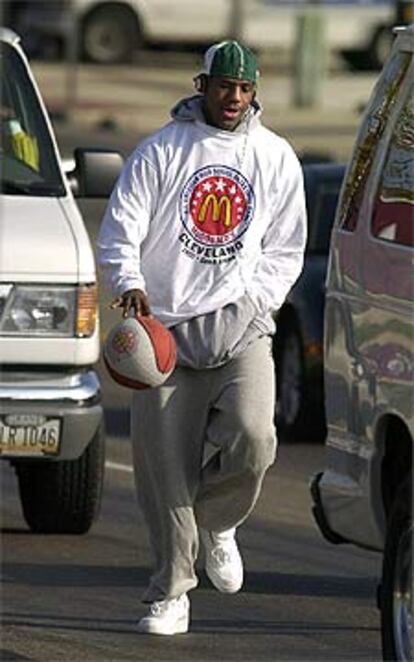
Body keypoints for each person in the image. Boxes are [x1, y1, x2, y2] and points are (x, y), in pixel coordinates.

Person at [97, 40, 307, 636]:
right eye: (223, 87)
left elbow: (286, 248)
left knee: (254, 435)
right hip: (164, 331)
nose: (234, 98)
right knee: (165, 473)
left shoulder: (274, 156)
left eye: (244, 89)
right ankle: (170, 595)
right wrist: (131, 284)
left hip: (242, 325)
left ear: (255, 91)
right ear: (202, 86)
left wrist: (256, 303)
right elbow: (121, 228)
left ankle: (219, 522)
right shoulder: (163, 151)